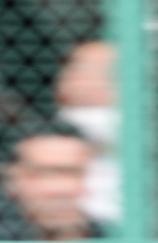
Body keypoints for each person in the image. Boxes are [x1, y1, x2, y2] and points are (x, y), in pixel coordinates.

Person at [53, 40, 120, 227]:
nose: (95, 80)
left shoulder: (151, 135)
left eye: (108, 73)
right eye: (83, 70)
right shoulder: (40, 134)